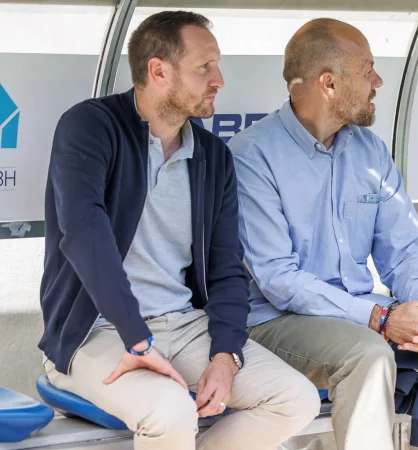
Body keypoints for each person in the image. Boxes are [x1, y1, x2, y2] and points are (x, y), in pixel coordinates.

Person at [228, 18, 418, 450]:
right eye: (367, 70)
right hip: (279, 321)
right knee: (367, 354)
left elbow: (405, 249)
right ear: (329, 83)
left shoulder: (369, 150)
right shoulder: (251, 156)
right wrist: (381, 320)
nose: (378, 82)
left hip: (368, 313)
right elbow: (279, 280)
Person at [39, 11, 320, 450]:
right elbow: (84, 234)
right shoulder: (91, 127)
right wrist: (136, 336)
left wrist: (226, 354)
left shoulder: (212, 156)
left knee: (295, 400)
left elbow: (227, 267)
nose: (218, 80)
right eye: (204, 67)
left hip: (186, 326)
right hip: (98, 329)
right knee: (171, 413)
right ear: (158, 71)